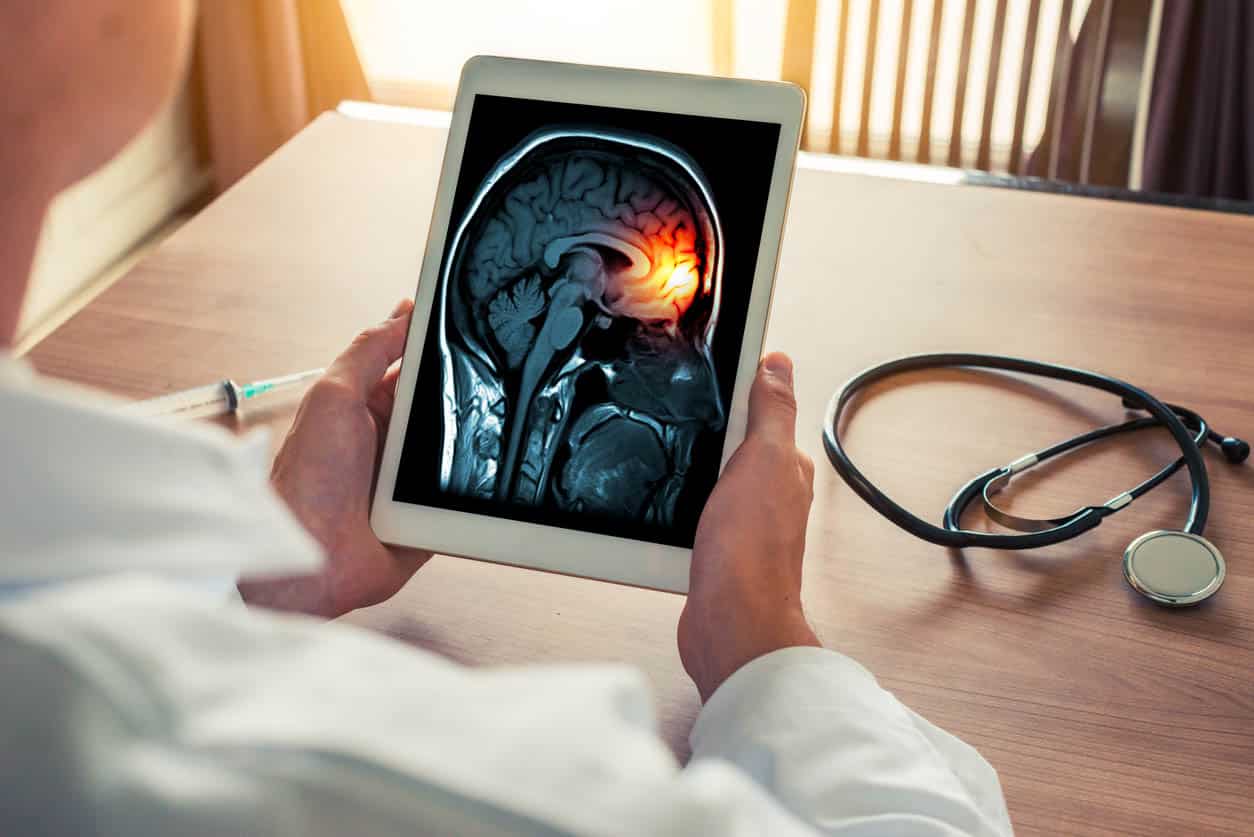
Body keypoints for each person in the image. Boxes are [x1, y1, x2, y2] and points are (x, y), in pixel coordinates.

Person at [0, 3, 1012, 835]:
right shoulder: (447, 794)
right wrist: (766, 651)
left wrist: (269, 586)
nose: (703, 393)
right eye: (648, 334)